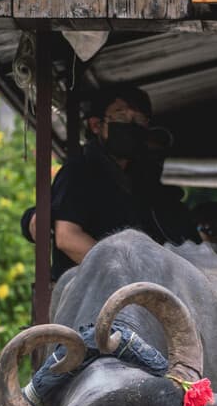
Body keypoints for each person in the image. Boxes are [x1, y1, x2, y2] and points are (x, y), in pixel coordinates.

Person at [20, 84, 196, 279]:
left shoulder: (142, 182)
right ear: (96, 125)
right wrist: (125, 273)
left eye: (139, 120)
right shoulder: (78, 171)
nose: (131, 126)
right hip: (87, 295)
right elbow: (67, 237)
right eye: (121, 117)